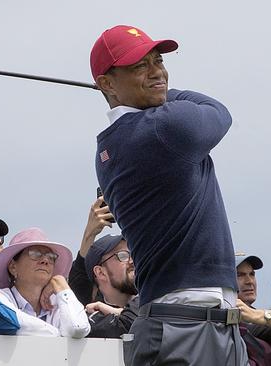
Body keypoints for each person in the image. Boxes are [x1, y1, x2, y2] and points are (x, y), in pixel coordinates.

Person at [91, 24, 246, 365]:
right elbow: (219, 112)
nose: (156, 72)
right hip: (184, 326)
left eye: (158, 61)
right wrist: (168, 93)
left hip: (202, 323)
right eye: (139, 67)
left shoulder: (118, 141)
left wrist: (152, 91)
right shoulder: (163, 128)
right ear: (106, 84)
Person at [0, 227, 90, 338]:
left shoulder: (57, 303)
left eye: (51, 257)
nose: (45, 260)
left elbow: (78, 328)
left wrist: (60, 284)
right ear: (13, 267)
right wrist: (58, 334)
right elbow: (16, 323)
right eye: (35, 254)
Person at [83, 234, 139, 338]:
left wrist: (119, 312)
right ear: (100, 272)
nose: (132, 261)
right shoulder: (91, 315)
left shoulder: (159, 299)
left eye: (133, 254)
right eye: (123, 256)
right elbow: (127, 324)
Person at [69, 195, 115, 305]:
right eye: (122, 256)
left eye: (129, 255)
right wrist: (90, 233)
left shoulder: (143, 298)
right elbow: (80, 277)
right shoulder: (96, 314)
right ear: (99, 272)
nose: (130, 262)